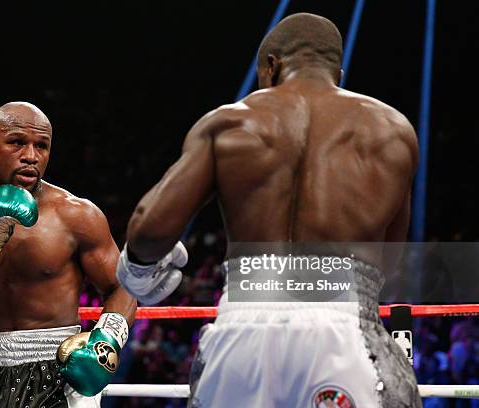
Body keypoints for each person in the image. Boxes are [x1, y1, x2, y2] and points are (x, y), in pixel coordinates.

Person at [116, 13, 421, 407]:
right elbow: (390, 261)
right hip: (345, 332)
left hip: (241, 334)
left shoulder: (229, 122)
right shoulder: (392, 129)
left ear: (271, 66)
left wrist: (137, 271)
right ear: (337, 72)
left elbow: (148, 231)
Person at [0, 102, 136, 408]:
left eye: (42, 146)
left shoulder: (76, 214)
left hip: (58, 371)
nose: (31, 156)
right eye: (16, 142)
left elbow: (122, 286)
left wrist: (107, 340)